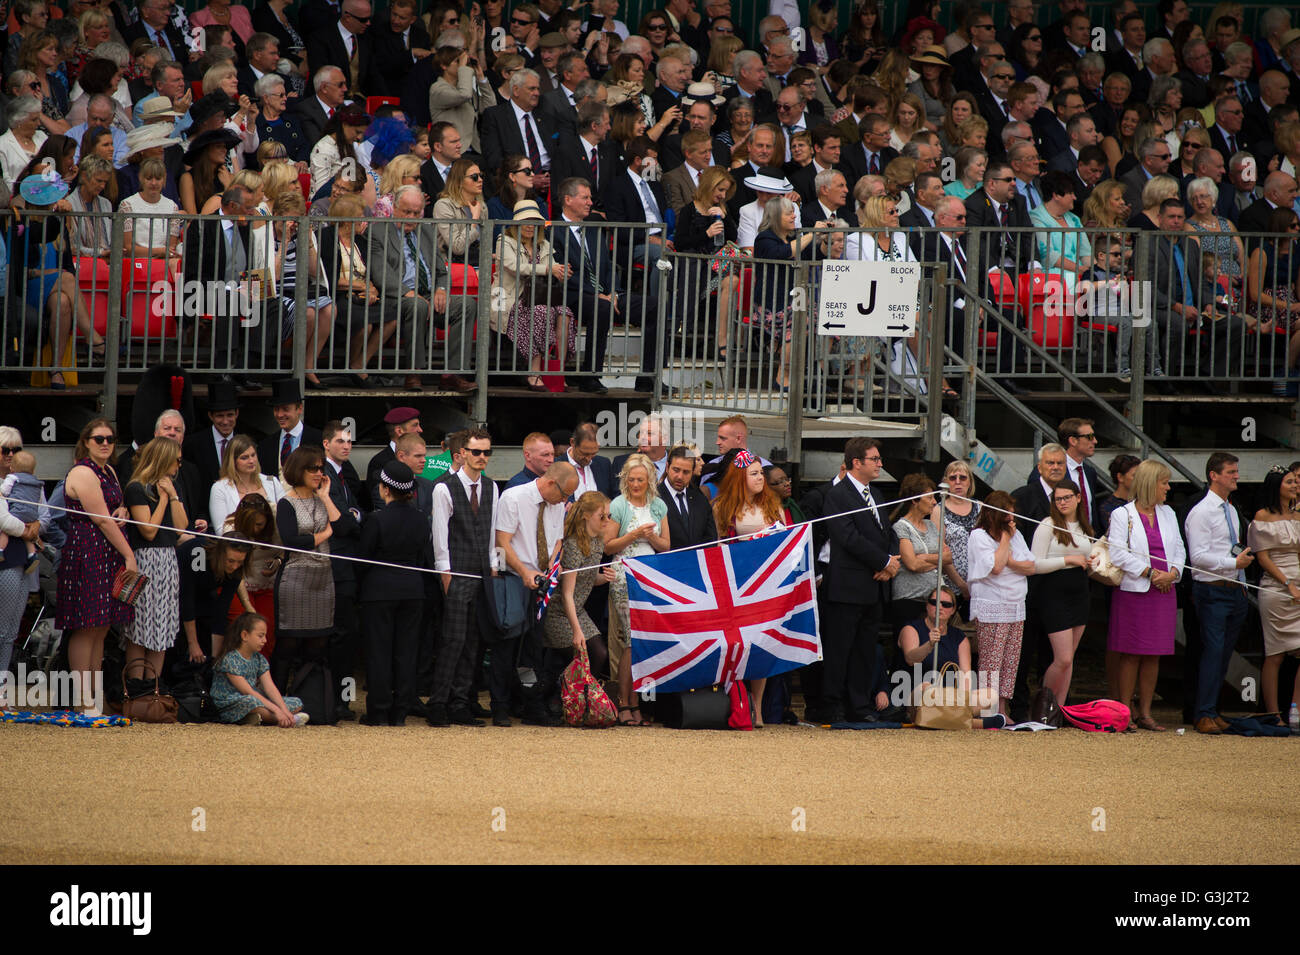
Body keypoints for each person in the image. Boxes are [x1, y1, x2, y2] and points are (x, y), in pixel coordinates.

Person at [59, 418, 136, 716]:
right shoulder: (83, 471)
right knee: (86, 626)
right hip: (87, 550)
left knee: (102, 627)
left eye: (110, 439)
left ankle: (96, 695)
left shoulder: (110, 471)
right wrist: (130, 555)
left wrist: (124, 509)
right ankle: (82, 700)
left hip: (107, 550)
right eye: (98, 439)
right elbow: (100, 519)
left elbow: (112, 512)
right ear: (86, 442)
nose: (105, 443)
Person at [822, 437, 900, 723]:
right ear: (857, 462)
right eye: (875, 459)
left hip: (874, 586)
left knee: (865, 651)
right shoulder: (838, 495)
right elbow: (847, 537)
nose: (880, 464)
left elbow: (887, 532)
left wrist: (892, 561)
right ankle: (832, 705)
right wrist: (882, 561)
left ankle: (859, 704)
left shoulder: (876, 494)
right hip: (847, 587)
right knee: (839, 650)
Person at [495, 461, 579, 725]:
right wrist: (524, 572)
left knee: (532, 650)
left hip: (540, 584)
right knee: (505, 647)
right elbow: (502, 542)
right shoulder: (514, 497)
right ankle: (500, 705)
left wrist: (552, 568)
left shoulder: (556, 505)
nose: (565, 501)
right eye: (565, 494)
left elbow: (556, 542)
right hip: (513, 579)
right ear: (551, 482)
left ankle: (531, 704)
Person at [1107, 460, 1185, 731]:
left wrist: (1172, 573)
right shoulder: (1122, 514)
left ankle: (1146, 712)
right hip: (1137, 590)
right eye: (1164, 482)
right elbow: (1117, 553)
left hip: (1165, 590)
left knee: (1155, 653)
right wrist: (1151, 573)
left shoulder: (1169, 513)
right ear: (1151, 484)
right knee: (1131, 653)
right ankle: (1125, 710)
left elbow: (1179, 548)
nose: (1168, 487)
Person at [428, 427, 498, 728]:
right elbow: (439, 537)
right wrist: (445, 575)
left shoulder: (493, 487)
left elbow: (494, 533)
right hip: (456, 573)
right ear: (463, 454)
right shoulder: (444, 487)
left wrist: (494, 569)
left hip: (483, 574)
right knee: (452, 641)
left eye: (486, 452)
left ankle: (460, 703)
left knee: (474, 643)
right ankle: (438, 704)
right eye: (476, 452)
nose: (482, 457)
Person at [357, 460, 435, 726]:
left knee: (379, 652)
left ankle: (379, 710)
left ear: (385, 490)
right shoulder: (421, 519)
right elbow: (424, 554)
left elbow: (364, 558)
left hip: (379, 592)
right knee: (406, 651)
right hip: (413, 590)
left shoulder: (377, 519)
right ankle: (401, 710)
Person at [710, 448, 783, 725]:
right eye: (753, 474)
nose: (760, 478)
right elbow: (715, 545)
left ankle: (758, 704)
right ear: (740, 477)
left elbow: (785, 539)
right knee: (738, 643)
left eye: (761, 473)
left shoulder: (772, 503)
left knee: (762, 643)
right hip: (737, 582)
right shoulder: (723, 507)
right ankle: (737, 699)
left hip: (766, 582)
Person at [1185, 452, 1254, 734]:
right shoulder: (1201, 511)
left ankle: (1213, 709)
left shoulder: (1231, 509)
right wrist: (1232, 564)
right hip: (1212, 590)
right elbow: (1197, 556)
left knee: (1224, 654)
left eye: (1236, 471)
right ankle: (1202, 713)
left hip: (1235, 589)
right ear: (1214, 475)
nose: (1236, 476)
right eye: (1230, 471)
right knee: (1212, 652)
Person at [606, 452, 671, 726]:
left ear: (649, 481)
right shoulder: (619, 505)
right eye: (631, 479)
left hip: (650, 577)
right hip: (623, 575)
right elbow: (608, 545)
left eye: (640, 480)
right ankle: (625, 702)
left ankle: (637, 702)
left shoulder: (658, 506)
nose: (635, 484)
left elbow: (667, 545)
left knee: (643, 641)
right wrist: (633, 535)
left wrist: (652, 536)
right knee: (632, 639)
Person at [119, 436, 190, 684]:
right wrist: (161, 499)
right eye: (176, 461)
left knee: (163, 625)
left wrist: (172, 496)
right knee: (140, 627)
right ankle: (136, 687)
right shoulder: (136, 488)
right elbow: (148, 530)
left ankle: (154, 688)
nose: (179, 466)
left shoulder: (172, 486)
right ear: (163, 460)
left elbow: (181, 527)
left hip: (168, 559)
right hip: (145, 559)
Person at [272, 446, 339, 690]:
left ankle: (311, 699)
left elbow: (345, 527)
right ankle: (278, 698)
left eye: (321, 468)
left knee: (318, 644)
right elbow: (291, 541)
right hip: (296, 578)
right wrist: (325, 534)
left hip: (323, 578)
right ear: (299, 470)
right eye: (313, 468)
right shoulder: (286, 502)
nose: (319, 473)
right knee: (288, 644)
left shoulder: (323, 498)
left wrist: (326, 497)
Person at [967, 490, 1037, 718]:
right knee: (992, 661)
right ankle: (988, 709)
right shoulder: (979, 536)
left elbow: (1030, 566)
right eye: (1006, 515)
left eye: (1012, 515)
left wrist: (1010, 561)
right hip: (992, 606)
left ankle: (1003, 709)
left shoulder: (1016, 534)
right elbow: (995, 567)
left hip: (1016, 605)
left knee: (1010, 661)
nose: (1011, 520)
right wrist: (1006, 539)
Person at [493, 198, 574, 391]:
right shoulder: (505, 241)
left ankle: (557, 372)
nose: (530, 226)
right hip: (511, 298)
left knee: (565, 313)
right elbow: (514, 267)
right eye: (526, 221)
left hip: (540, 296)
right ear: (516, 223)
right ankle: (534, 372)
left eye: (534, 221)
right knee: (540, 312)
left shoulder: (544, 245)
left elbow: (554, 270)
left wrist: (562, 272)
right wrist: (549, 269)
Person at [1030, 477, 1096, 704]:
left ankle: (1058, 709)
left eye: (1067, 497)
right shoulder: (1048, 525)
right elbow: (1035, 564)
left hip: (1080, 593)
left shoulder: (1085, 527)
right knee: (1063, 658)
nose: (1062, 502)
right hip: (1054, 594)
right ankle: (1042, 704)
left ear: (1078, 498)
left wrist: (1093, 563)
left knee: (1070, 658)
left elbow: (1087, 561)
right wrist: (1067, 560)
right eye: (1058, 499)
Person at [544, 489, 614, 700]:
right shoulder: (574, 545)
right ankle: (569, 698)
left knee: (599, 653)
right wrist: (576, 631)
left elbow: (587, 579)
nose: (606, 521)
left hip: (576, 609)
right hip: (559, 612)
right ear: (586, 516)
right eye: (601, 516)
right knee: (583, 653)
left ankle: (581, 699)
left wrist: (604, 578)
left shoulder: (597, 542)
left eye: (608, 516)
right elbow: (566, 593)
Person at [1248, 466, 1300, 718]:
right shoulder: (1263, 516)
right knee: (1275, 653)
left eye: (1295, 482)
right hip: (1276, 587)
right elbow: (1262, 556)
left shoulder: (1298, 516)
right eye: (1289, 482)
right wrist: (1287, 582)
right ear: (1276, 486)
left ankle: (1295, 709)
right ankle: (1272, 714)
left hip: (1299, 584)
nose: (1295, 486)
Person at [890, 473, 958, 638]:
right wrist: (937, 560)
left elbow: (949, 557)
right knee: (910, 649)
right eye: (930, 498)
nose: (934, 502)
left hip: (932, 600)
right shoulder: (901, 527)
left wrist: (925, 558)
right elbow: (912, 564)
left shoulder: (931, 526)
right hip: (909, 600)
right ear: (915, 500)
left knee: (929, 650)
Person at [211, 612, 309, 726]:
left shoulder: (259, 659)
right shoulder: (230, 659)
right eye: (260, 636)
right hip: (231, 701)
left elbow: (270, 687)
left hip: (256, 698)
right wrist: (277, 710)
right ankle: (284, 720)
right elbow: (247, 691)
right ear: (245, 635)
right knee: (251, 702)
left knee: (296, 703)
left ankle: (264, 718)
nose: (265, 640)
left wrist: (284, 709)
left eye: (265, 636)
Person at [209, 434, 284, 533]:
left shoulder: (272, 481)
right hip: (239, 546)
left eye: (253, 455)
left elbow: (285, 518)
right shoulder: (219, 488)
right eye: (244, 458)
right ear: (232, 461)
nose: (251, 461)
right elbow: (221, 531)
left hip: (274, 544)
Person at [930, 460, 979, 607]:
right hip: (950, 586)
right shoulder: (938, 510)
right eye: (952, 478)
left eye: (963, 478)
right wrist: (962, 585)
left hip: (979, 584)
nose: (958, 482)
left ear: (970, 481)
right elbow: (940, 550)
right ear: (946, 482)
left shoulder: (981, 507)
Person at [1099, 453, 1141, 527]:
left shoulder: (1142, 502)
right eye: (1134, 475)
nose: (1140, 479)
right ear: (1120, 477)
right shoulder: (1107, 507)